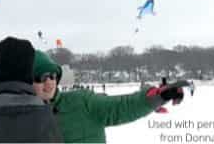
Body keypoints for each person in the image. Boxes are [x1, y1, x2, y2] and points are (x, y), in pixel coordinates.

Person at [32, 50, 186, 143]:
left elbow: (121, 106)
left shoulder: (81, 102)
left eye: (53, 76)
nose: (50, 82)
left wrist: (157, 97)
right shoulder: (16, 118)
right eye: (43, 77)